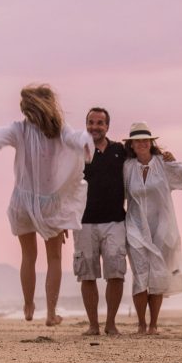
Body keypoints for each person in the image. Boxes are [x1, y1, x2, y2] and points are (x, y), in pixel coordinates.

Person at [0, 85, 92, 326]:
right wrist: (87, 144)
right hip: (48, 205)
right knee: (54, 258)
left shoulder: (19, 129)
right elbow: (77, 139)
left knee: (28, 256)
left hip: (21, 202)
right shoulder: (59, 130)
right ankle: (51, 313)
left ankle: (28, 304)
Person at [122, 122, 182, 335]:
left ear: (151, 142)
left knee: (157, 275)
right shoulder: (127, 167)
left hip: (162, 228)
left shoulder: (163, 164)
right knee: (140, 274)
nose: (142, 143)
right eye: (138, 140)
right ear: (132, 145)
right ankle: (141, 324)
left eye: (146, 139)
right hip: (135, 227)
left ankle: (153, 324)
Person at [73, 107, 127, 336]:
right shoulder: (77, 152)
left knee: (116, 272)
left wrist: (164, 155)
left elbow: (146, 156)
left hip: (115, 220)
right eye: (91, 122)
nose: (95, 126)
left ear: (107, 126)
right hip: (83, 222)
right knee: (87, 274)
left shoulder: (120, 150)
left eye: (100, 123)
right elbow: (65, 185)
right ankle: (93, 325)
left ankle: (111, 324)